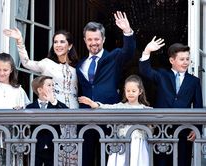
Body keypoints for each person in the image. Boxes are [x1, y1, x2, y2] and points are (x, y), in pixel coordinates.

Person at [76, 11, 136, 166]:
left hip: (109, 116)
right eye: (89, 39)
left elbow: (129, 52)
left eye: (96, 39)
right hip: (85, 119)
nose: (93, 42)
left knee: (109, 160)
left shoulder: (114, 57)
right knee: (85, 160)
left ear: (103, 39)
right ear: (84, 40)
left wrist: (127, 31)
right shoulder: (80, 64)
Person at [139, 37, 203, 166]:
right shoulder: (162, 75)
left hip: (184, 130)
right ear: (172, 60)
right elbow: (145, 71)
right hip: (162, 128)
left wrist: (196, 129)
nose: (185, 62)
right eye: (181, 59)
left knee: (182, 161)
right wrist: (147, 52)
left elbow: (198, 106)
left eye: (187, 59)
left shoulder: (194, 81)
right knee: (161, 162)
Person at [78, 75, 151, 166]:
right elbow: (107, 107)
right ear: (124, 90)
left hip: (138, 144)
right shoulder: (121, 106)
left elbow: (152, 126)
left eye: (133, 91)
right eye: (128, 91)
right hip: (121, 144)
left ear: (140, 91)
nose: (130, 93)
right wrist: (93, 104)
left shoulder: (146, 109)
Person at [3, 28, 79, 109]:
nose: (58, 45)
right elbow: (26, 63)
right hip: (53, 110)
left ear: (70, 46)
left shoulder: (77, 67)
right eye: (55, 42)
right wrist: (20, 41)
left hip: (74, 110)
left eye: (62, 42)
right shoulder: (47, 63)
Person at [26, 75, 67, 166]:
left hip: (53, 145)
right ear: (40, 90)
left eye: (53, 85)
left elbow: (67, 112)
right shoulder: (30, 107)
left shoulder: (56, 104)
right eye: (49, 85)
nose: (52, 87)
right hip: (35, 146)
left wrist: (53, 101)